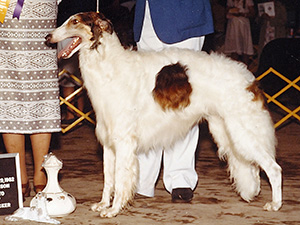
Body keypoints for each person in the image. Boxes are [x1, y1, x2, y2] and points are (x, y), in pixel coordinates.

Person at [133, 0, 214, 202]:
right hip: (147, 19)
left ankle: (181, 178)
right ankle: (142, 179)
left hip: (185, 16)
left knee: (183, 101)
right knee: (147, 102)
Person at [0, 0, 61, 198]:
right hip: (7, 11)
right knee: (9, 90)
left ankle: (41, 173)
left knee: (42, 90)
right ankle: (18, 174)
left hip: (42, 12)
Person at [224, 0, 255, 66]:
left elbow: (252, 13)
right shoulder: (231, 1)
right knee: (234, 47)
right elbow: (226, 11)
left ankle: (246, 66)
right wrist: (231, 11)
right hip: (233, 25)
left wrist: (243, 14)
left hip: (243, 25)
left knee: (244, 46)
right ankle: (234, 68)